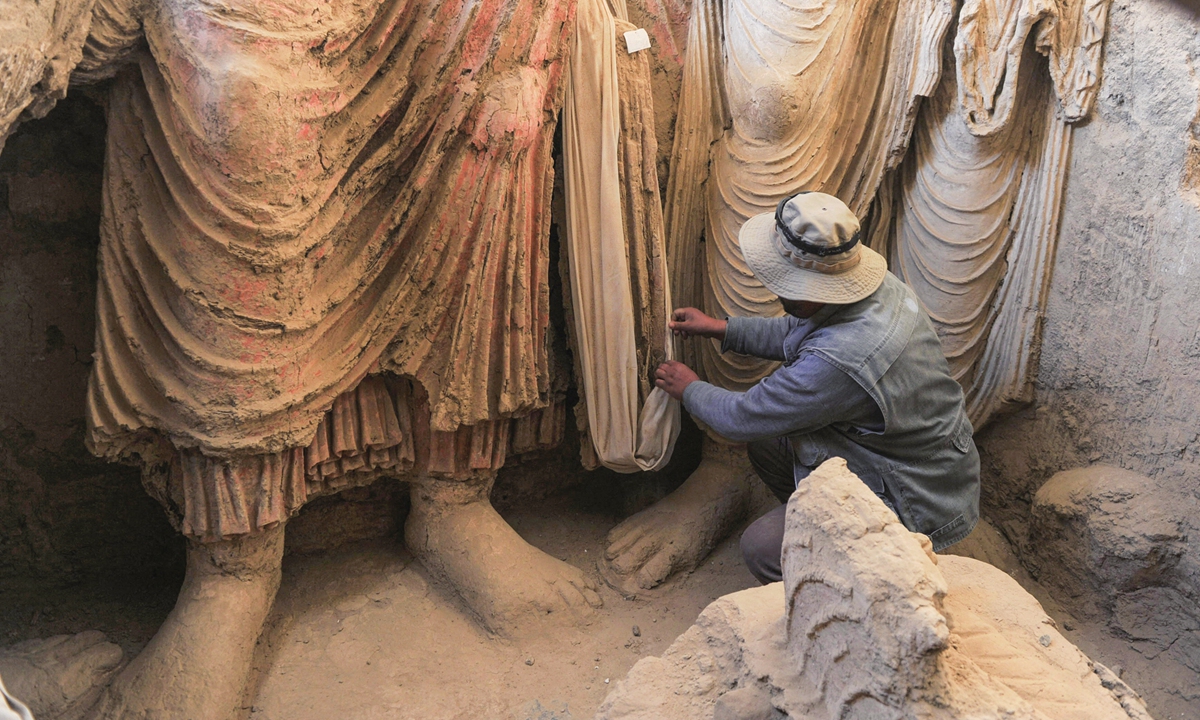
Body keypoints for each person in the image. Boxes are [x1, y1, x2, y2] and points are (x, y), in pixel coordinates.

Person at [653, 192, 980, 584]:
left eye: (786, 284)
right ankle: (822, 524)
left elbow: (742, 418)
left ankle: (855, 584)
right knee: (770, 444)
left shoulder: (841, 359)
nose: (778, 292)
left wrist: (688, 387)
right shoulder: (869, 290)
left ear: (817, 289)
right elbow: (801, 332)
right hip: (904, 456)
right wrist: (722, 327)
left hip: (916, 494)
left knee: (762, 548)